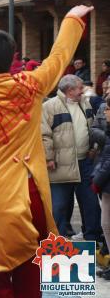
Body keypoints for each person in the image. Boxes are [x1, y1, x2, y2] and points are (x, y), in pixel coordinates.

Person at [0, 5, 93, 298]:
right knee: (31, 290)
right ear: (11, 60)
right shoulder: (31, 86)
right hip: (34, 199)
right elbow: (58, 60)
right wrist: (72, 20)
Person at [42, 74, 102, 241]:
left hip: (85, 163)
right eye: (79, 88)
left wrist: (94, 148)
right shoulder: (50, 107)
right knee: (59, 207)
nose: (82, 91)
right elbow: (44, 135)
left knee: (91, 204)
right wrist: (49, 157)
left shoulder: (85, 103)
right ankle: (57, 242)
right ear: (69, 90)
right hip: (60, 164)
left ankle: (93, 240)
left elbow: (93, 128)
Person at [92, 98, 110, 280]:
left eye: (108, 109)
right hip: (105, 182)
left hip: (106, 182)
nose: (105, 112)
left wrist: (96, 180)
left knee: (107, 223)